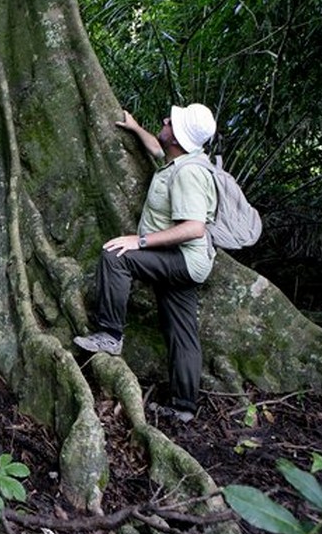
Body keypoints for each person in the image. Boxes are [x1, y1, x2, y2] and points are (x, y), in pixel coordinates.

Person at [74, 104, 218, 423]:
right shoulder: (180, 159)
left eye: (172, 122)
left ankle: (110, 335)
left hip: (182, 258)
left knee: (116, 256)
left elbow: (194, 227)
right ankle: (184, 408)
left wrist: (137, 242)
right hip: (188, 263)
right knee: (181, 329)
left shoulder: (189, 173)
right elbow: (157, 147)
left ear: (179, 138)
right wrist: (136, 128)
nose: (166, 120)